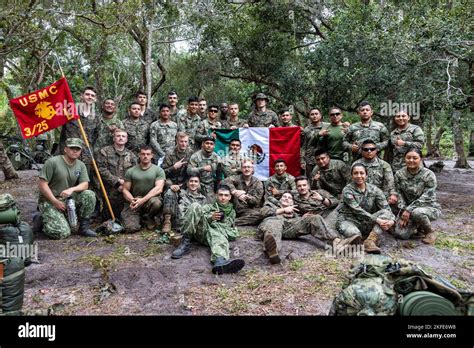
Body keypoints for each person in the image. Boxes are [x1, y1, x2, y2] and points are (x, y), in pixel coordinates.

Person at [258, 191, 356, 264]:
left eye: (289, 198)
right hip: (274, 221)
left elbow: (299, 222)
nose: (286, 198)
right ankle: (273, 251)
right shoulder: (271, 204)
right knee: (273, 224)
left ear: (292, 202)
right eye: (284, 197)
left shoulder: (295, 212)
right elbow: (263, 213)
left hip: (289, 227)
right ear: (280, 200)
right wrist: (283, 210)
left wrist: (303, 219)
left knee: (315, 218)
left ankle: (337, 243)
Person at [171, 184, 245, 275]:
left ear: (230, 197)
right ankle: (185, 243)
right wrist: (211, 217)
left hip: (216, 237)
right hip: (202, 232)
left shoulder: (232, 212)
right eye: (220, 195)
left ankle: (219, 262)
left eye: (226, 195)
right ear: (216, 196)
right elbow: (197, 217)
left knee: (218, 236)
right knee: (195, 206)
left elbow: (229, 229)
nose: (223, 198)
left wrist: (220, 223)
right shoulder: (208, 207)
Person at [38, 138, 97, 239]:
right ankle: (41, 221)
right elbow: (42, 185)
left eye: (77, 149)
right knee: (63, 233)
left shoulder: (80, 165)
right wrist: (55, 201)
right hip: (50, 200)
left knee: (89, 194)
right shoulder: (52, 162)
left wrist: (72, 189)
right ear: (65, 149)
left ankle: (84, 228)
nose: (75, 151)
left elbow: (85, 184)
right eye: (72, 148)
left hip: (68, 198)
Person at [336, 163, 395, 254]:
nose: (359, 176)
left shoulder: (375, 190)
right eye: (355, 173)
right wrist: (377, 220)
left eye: (361, 173)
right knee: (355, 235)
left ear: (366, 175)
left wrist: (392, 221)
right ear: (352, 176)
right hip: (348, 220)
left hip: (366, 221)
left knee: (385, 213)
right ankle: (344, 240)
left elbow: (387, 209)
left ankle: (370, 241)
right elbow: (357, 210)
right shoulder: (347, 190)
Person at [392, 148, 440, 244]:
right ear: (404, 159)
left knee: (417, 212)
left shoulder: (429, 175)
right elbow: (399, 193)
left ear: (420, 159)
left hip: (428, 207)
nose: (411, 160)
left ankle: (429, 232)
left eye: (415, 158)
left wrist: (408, 210)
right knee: (401, 234)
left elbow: (428, 196)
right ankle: (417, 225)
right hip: (408, 209)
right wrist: (404, 210)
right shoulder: (399, 174)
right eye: (408, 158)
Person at [121, 145, 165, 233]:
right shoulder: (131, 171)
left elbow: (159, 189)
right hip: (134, 202)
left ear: (152, 155)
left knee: (156, 203)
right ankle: (138, 218)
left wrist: (143, 200)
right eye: (143, 154)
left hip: (149, 201)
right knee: (130, 228)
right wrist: (133, 200)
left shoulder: (158, 170)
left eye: (148, 154)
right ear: (139, 155)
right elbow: (125, 190)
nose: (145, 156)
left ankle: (150, 217)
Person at [96, 129, 137, 220]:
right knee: (108, 218)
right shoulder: (104, 152)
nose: (121, 138)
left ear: (126, 139)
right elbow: (101, 169)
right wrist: (117, 181)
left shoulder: (131, 155)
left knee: (126, 219)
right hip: (110, 190)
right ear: (113, 138)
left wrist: (126, 184)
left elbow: (135, 172)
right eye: (118, 136)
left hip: (126, 190)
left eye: (123, 136)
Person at [161, 132, 195, 233]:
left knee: (187, 195)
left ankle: (184, 220)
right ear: (177, 141)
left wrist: (185, 184)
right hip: (171, 181)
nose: (183, 144)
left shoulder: (191, 153)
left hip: (185, 182)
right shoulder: (170, 153)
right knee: (170, 193)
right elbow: (162, 172)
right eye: (181, 141)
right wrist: (173, 167)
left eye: (185, 141)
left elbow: (192, 173)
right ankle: (167, 221)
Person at [58, 86, 99, 156]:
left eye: (92, 96)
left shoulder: (96, 118)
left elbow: (94, 137)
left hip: (86, 156)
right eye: (87, 94)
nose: (90, 97)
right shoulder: (70, 111)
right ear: (81, 96)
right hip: (67, 153)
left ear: (95, 99)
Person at [222, 160, 264, 225]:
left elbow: (256, 201)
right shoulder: (237, 178)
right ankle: (230, 219)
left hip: (247, 210)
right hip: (232, 208)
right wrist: (234, 191)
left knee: (259, 216)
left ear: (252, 169)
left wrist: (245, 197)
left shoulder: (258, 183)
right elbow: (224, 182)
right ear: (241, 169)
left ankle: (230, 222)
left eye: (249, 167)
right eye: (244, 167)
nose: (246, 169)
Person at [187, 135, 222, 201]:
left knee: (211, 204)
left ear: (214, 146)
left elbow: (219, 176)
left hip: (209, 185)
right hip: (195, 184)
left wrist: (217, 190)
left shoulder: (217, 158)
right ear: (203, 144)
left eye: (211, 144)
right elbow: (188, 171)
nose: (209, 145)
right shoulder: (195, 156)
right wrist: (203, 168)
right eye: (207, 143)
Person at [301, 108, 328, 176]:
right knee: (311, 178)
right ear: (309, 117)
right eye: (312, 114)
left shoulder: (327, 126)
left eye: (316, 114)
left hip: (325, 158)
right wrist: (302, 160)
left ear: (320, 115)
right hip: (310, 160)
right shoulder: (306, 129)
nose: (314, 116)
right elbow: (304, 146)